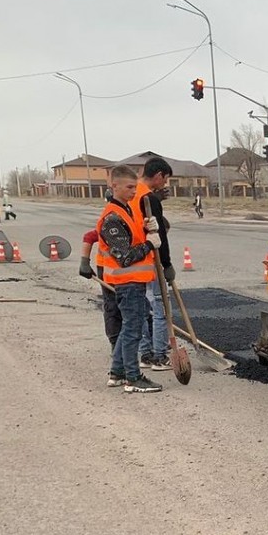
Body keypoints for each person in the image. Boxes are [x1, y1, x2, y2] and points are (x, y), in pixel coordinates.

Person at [95, 165, 162, 393]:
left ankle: (117, 372)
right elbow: (125, 257)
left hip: (135, 280)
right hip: (127, 282)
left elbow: (131, 238)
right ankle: (133, 377)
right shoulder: (112, 218)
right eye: (129, 187)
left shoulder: (126, 210)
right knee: (133, 330)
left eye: (135, 186)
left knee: (128, 328)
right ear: (114, 186)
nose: (134, 191)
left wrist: (145, 229)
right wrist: (149, 244)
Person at [130, 157, 175, 372]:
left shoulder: (129, 194)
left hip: (131, 258)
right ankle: (160, 356)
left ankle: (145, 355)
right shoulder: (149, 199)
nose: (164, 185)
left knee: (141, 309)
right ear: (158, 175)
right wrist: (166, 264)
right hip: (151, 259)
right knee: (160, 306)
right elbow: (160, 236)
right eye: (164, 180)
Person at [79, 230, 122, 349]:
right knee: (112, 305)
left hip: (130, 269)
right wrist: (84, 262)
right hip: (107, 269)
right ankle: (115, 342)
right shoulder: (112, 224)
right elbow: (89, 236)